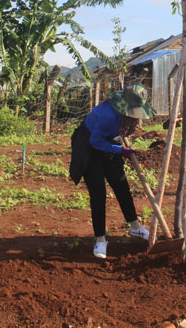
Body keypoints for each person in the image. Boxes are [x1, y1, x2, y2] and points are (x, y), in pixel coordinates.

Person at [69, 84, 155, 259]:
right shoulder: (107, 115)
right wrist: (120, 151)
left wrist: (122, 140)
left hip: (109, 140)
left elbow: (119, 131)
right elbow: (96, 142)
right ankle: (100, 239)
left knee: (121, 184)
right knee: (98, 192)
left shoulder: (125, 115)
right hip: (90, 144)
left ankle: (135, 227)